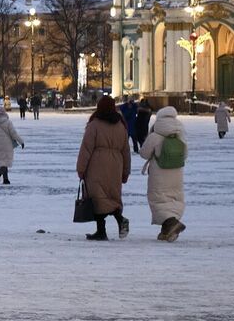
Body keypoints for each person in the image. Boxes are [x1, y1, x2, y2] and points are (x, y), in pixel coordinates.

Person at [76, 94, 133, 240]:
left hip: (97, 165)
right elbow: (126, 151)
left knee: (97, 198)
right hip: (116, 166)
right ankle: (120, 219)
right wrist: (126, 171)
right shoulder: (121, 125)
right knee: (112, 196)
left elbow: (86, 148)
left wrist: (81, 169)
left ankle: (101, 231)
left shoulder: (95, 124)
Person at [140, 104, 189, 241]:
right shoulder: (180, 134)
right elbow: (185, 154)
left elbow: (144, 154)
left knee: (158, 198)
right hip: (177, 172)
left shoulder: (155, 135)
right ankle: (168, 230)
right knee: (174, 198)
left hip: (159, 172)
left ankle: (171, 223)